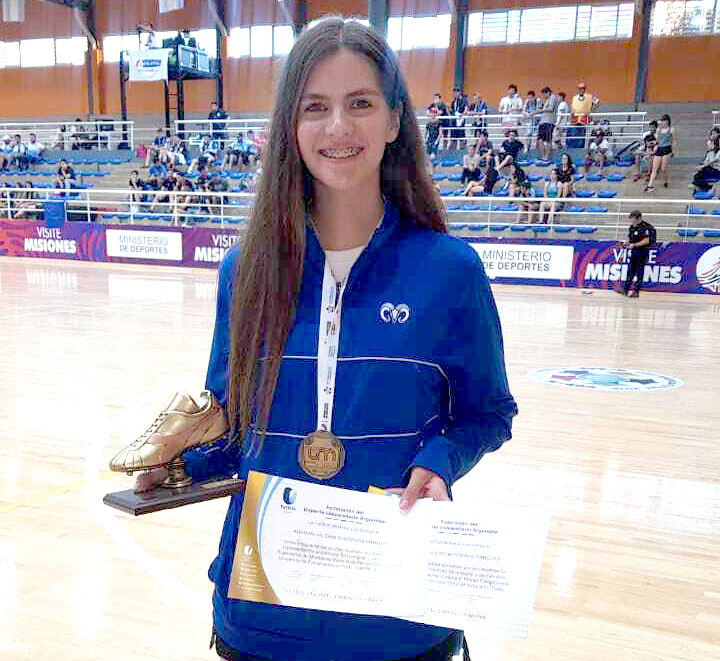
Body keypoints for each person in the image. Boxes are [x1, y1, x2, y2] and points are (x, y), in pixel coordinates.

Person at [131, 17, 517, 661]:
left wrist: (440, 462)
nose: (338, 127)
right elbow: (232, 428)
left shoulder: (450, 271)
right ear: (291, 127)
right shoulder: (245, 269)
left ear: (394, 120)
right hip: (262, 616)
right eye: (315, 107)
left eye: (360, 103)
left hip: (397, 621)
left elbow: (487, 415)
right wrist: (173, 469)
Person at [622, 210, 656, 298]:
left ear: (638, 218)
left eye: (632, 218)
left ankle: (636, 292)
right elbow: (630, 237)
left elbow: (647, 240)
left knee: (639, 272)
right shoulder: (632, 227)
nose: (631, 220)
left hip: (642, 251)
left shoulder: (645, 227)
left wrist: (634, 245)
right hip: (634, 251)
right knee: (630, 271)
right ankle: (625, 290)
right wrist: (627, 242)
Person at [646, 114, 677, 192]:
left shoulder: (671, 130)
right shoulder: (658, 130)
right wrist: (653, 143)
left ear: (667, 122)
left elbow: (674, 140)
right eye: (662, 121)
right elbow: (658, 140)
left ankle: (665, 181)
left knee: (663, 169)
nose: (663, 122)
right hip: (660, 148)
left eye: (664, 121)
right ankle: (650, 185)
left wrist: (673, 150)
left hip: (667, 149)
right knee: (654, 168)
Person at [691, 127, 720, 192]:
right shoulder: (710, 151)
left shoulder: (718, 151)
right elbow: (706, 161)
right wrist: (700, 166)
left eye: (711, 144)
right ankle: (705, 187)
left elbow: (713, 161)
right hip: (712, 169)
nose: (709, 146)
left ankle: (706, 187)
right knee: (697, 176)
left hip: (717, 171)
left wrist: (702, 166)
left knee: (698, 176)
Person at [536, 87, 558, 161]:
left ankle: (547, 157)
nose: (544, 95)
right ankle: (543, 156)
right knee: (540, 140)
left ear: (548, 92)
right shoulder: (546, 100)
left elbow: (551, 109)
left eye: (544, 93)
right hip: (542, 121)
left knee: (548, 140)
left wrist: (540, 110)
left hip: (549, 122)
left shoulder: (553, 97)